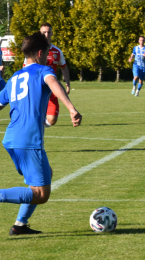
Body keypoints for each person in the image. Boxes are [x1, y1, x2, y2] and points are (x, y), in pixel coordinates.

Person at [0, 31, 82, 235]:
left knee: (46, 176)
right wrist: (72, 109)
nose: (47, 56)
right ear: (39, 53)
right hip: (28, 140)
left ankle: (20, 225)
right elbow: (55, 85)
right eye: (46, 53)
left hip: (11, 139)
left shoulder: (15, 77)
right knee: (41, 194)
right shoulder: (42, 70)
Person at [23, 22, 70, 127]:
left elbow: (64, 67)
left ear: (52, 33)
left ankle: (40, 125)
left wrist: (67, 83)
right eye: (44, 32)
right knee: (32, 114)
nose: (46, 35)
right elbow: (24, 68)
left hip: (52, 88)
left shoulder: (57, 51)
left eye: (49, 32)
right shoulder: (33, 51)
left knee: (52, 120)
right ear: (40, 33)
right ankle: (34, 127)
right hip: (36, 87)